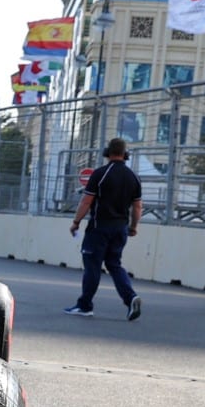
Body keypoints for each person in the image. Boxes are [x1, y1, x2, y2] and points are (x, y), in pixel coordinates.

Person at [66, 136, 144, 320]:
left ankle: (85, 305)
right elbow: (138, 206)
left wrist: (76, 221)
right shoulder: (134, 177)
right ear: (125, 154)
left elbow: (86, 201)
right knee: (114, 264)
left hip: (99, 228)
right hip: (120, 228)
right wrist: (133, 227)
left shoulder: (100, 174)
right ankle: (130, 297)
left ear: (108, 153)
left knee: (92, 265)